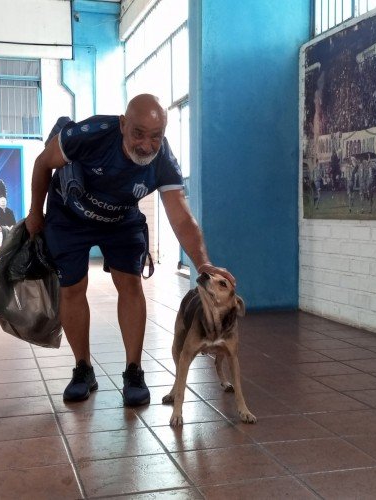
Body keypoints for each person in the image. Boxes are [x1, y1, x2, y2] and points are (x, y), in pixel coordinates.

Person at [24, 94, 235, 406]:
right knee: (72, 288)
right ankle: (83, 370)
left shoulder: (162, 159)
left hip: (121, 218)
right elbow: (43, 162)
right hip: (69, 215)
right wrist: (34, 213)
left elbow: (181, 216)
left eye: (155, 136)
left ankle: (133, 371)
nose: (146, 145)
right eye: (138, 133)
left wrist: (202, 263)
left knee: (130, 285)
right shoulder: (89, 135)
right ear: (123, 124)